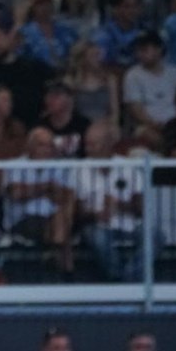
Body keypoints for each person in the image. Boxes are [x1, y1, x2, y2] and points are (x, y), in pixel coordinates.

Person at [74, 119, 155, 282]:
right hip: (97, 226)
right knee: (97, 238)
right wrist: (96, 214)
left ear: (109, 144)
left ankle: (127, 277)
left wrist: (119, 205)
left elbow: (141, 208)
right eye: (87, 144)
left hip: (129, 225)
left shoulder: (129, 167)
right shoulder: (79, 169)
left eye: (93, 144)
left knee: (157, 236)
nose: (88, 149)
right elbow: (77, 212)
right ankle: (118, 278)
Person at [2, 127, 77, 279]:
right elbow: (16, 193)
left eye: (50, 145)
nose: (47, 150)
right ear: (29, 147)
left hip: (53, 217)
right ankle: (67, 271)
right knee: (62, 225)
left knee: (61, 217)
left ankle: (56, 259)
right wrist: (47, 187)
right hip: (23, 220)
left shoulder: (60, 167)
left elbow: (66, 196)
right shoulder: (14, 165)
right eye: (41, 145)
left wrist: (33, 190)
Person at [123, 31, 176, 144]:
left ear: (159, 49)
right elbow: (135, 109)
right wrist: (154, 124)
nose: (140, 54)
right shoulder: (133, 75)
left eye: (144, 50)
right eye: (138, 50)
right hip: (149, 126)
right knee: (145, 133)